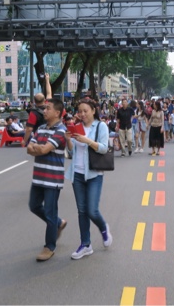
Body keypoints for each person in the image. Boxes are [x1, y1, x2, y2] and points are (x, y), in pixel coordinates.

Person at [64, 99, 113, 260]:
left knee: (92, 210)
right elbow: (72, 153)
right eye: (80, 111)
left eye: (85, 110)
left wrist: (87, 141)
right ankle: (85, 244)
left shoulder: (101, 126)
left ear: (93, 110)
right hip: (77, 174)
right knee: (82, 211)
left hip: (94, 174)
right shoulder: (76, 127)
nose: (82, 114)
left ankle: (103, 228)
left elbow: (104, 148)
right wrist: (68, 139)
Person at [27, 98, 67, 262]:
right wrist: (40, 148)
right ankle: (58, 223)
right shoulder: (41, 128)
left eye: (48, 108)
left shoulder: (61, 131)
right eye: (44, 108)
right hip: (38, 176)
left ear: (57, 113)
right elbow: (29, 148)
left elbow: (43, 149)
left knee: (50, 213)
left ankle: (49, 247)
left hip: (53, 178)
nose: (44, 111)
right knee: (34, 206)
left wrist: (39, 148)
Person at [25, 73, 53, 145]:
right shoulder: (49, 106)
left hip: (39, 138)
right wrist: (47, 80)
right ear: (44, 100)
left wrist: (24, 140)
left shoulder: (33, 113)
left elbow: (29, 129)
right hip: (51, 136)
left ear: (34, 101)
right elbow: (49, 93)